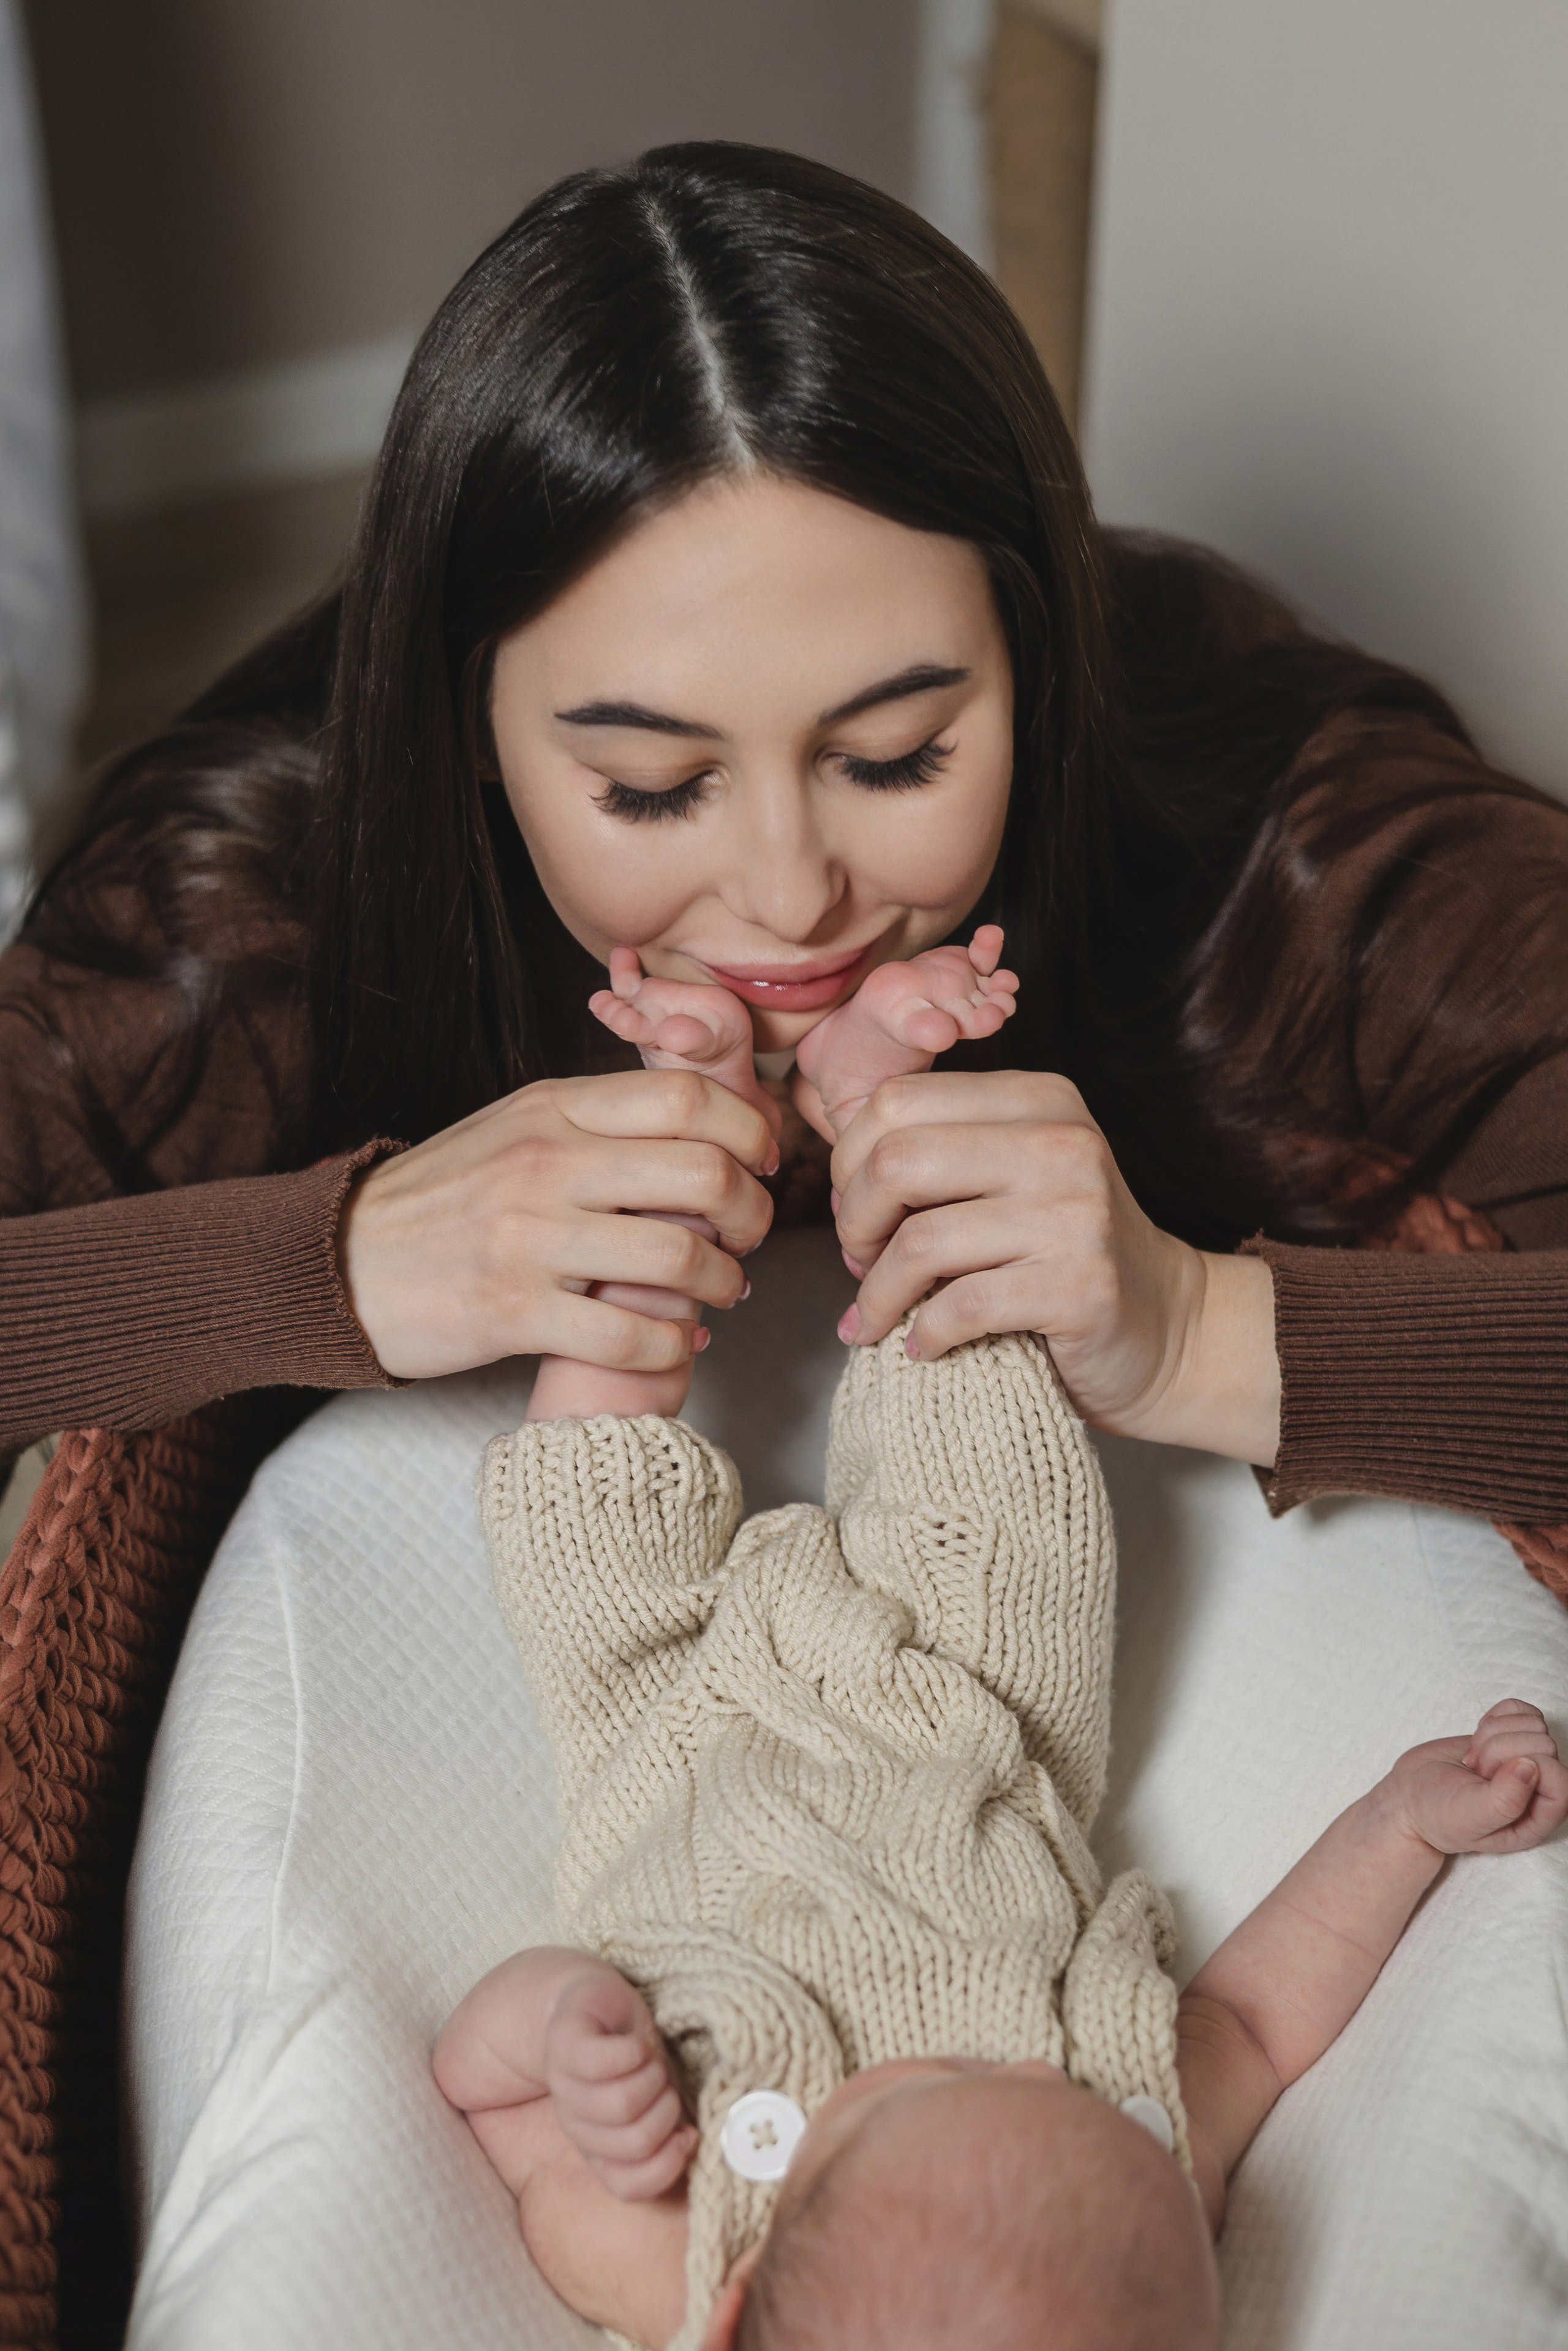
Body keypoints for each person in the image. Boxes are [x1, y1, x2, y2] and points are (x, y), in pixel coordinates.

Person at [2, 140, 1565, 1549]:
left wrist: (1191, 1329)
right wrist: (336, 1265)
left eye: (895, 756)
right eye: (650, 784)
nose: (788, 894)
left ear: (1034, 666)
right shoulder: (256, 890)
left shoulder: (1293, 839)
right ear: (465, 733)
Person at [433, 932, 1568, 2351]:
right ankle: (869, 1115)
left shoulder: (662, 2234)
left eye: (919, 2092)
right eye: (1038, 2087)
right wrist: (1404, 1821)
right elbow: (1261, 2022)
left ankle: (695, 1133)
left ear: (728, 2321)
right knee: (999, 1456)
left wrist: (564, 2031)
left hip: (669, 1734)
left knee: (582, 1513)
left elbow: (484, 2089)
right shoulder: (1132, 2153)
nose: (970, 2055)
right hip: (980, 1712)